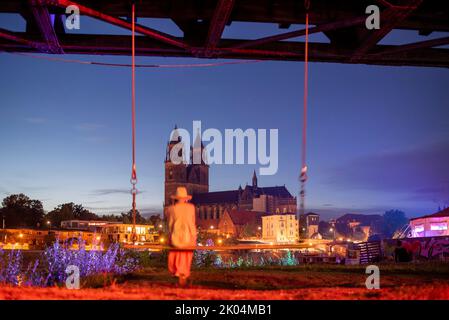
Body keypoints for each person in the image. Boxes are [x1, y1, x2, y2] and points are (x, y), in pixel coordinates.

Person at [166, 187, 197, 286]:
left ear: (176, 198)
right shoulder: (191, 207)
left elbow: (170, 225)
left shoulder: (171, 209)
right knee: (186, 254)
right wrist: (194, 236)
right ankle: (183, 274)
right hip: (189, 237)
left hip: (176, 239)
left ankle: (178, 273)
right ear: (186, 198)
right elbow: (192, 223)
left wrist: (170, 237)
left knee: (176, 252)